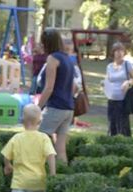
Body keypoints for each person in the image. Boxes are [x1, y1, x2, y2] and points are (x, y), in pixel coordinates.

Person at [1, 104, 56, 192]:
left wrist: (7, 165)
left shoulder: (16, 138)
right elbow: (51, 155)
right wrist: (53, 173)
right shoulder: (44, 138)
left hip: (19, 182)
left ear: (22, 121)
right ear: (39, 122)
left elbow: (5, 155)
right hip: (38, 181)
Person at [36, 28, 76, 164]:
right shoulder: (68, 59)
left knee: (38, 141)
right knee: (61, 148)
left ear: (47, 43)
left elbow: (49, 88)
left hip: (55, 108)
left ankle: (41, 172)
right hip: (68, 109)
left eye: (42, 43)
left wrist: (37, 108)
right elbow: (73, 87)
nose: (41, 46)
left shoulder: (52, 59)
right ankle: (62, 174)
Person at [103, 42, 133, 137]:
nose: (119, 53)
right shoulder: (109, 66)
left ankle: (126, 144)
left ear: (124, 52)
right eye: (117, 50)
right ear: (113, 52)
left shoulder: (128, 65)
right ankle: (111, 144)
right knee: (112, 124)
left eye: (121, 50)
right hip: (111, 99)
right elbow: (108, 80)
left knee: (123, 125)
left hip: (123, 100)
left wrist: (128, 82)